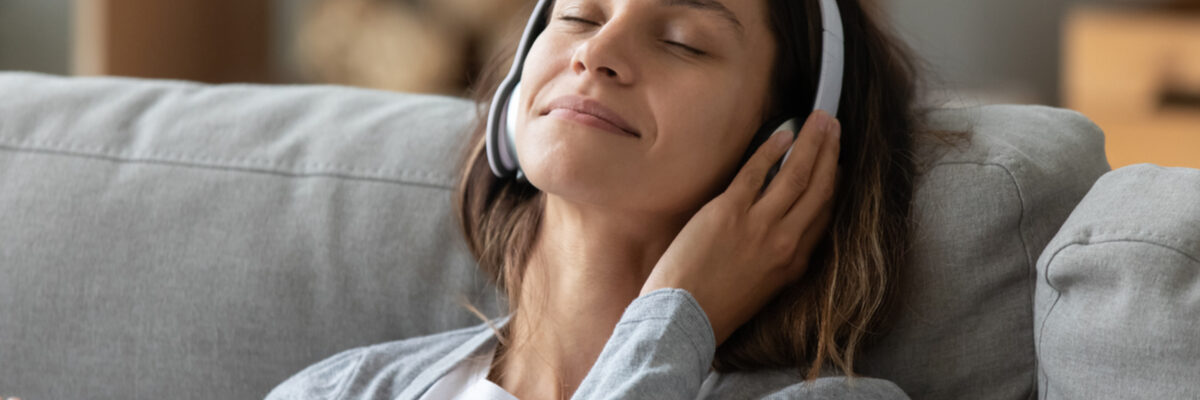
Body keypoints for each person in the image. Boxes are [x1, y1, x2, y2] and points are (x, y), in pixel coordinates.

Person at [267, 0, 926, 398]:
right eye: (580, 14)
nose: (595, 50)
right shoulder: (341, 391)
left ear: (789, 153)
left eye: (682, 41)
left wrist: (676, 317)